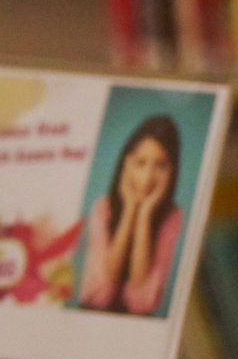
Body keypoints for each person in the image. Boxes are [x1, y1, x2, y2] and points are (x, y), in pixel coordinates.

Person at [77, 115, 185, 316]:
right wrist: (129, 209)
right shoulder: (103, 209)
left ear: (172, 170)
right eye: (140, 162)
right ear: (127, 163)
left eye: (161, 165)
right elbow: (103, 292)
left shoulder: (173, 217)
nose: (148, 177)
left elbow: (140, 301)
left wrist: (144, 214)